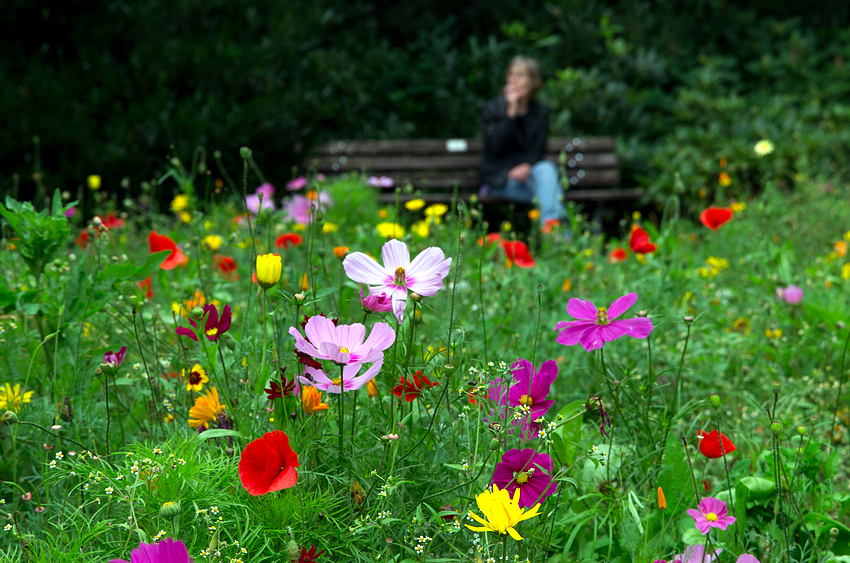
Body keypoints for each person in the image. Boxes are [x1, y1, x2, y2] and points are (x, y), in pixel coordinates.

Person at [480, 56, 566, 227]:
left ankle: (552, 230)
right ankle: (557, 235)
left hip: (530, 177)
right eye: (511, 74)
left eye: (520, 75)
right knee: (549, 191)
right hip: (500, 179)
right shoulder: (493, 109)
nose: (514, 79)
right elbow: (494, 146)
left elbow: (538, 149)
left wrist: (527, 165)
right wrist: (511, 113)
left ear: (534, 81)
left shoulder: (539, 113)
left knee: (546, 169)